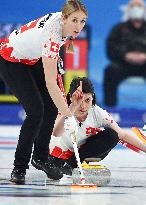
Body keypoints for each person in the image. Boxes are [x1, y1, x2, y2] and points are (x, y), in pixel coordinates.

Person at [0, 0, 88, 184]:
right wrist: (68, 116)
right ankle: (19, 167)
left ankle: (40, 157)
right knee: (35, 112)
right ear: (64, 19)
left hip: (33, 58)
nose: (78, 26)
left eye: (82, 21)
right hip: (11, 61)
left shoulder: (62, 23)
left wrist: (63, 111)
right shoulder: (52, 35)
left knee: (50, 106)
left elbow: (54, 78)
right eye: (74, 20)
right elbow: (51, 82)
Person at [48, 77, 146, 175]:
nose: (83, 106)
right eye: (79, 100)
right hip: (56, 155)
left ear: (93, 98)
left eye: (87, 100)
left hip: (78, 154)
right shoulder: (62, 110)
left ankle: (73, 165)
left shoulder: (97, 112)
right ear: (71, 97)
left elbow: (122, 135)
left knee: (112, 135)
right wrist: (71, 109)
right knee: (55, 175)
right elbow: (56, 133)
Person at [103, 0, 146, 106]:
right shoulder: (118, 28)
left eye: (139, 6)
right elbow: (110, 48)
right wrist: (125, 55)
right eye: (133, 6)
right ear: (128, 10)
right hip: (124, 64)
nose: (136, 9)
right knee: (110, 70)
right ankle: (110, 109)